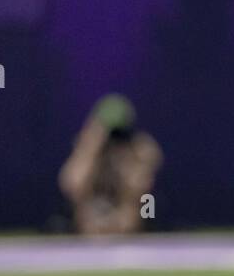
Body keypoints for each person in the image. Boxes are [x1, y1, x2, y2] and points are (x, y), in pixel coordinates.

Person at [58, 94, 162, 235]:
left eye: (119, 134)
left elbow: (141, 192)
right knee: (85, 208)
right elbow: (73, 185)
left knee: (147, 201)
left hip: (129, 220)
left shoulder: (138, 150)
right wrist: (90, 148)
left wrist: (137, 166)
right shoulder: (88, 149)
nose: (114, 142)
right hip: (89, 222)